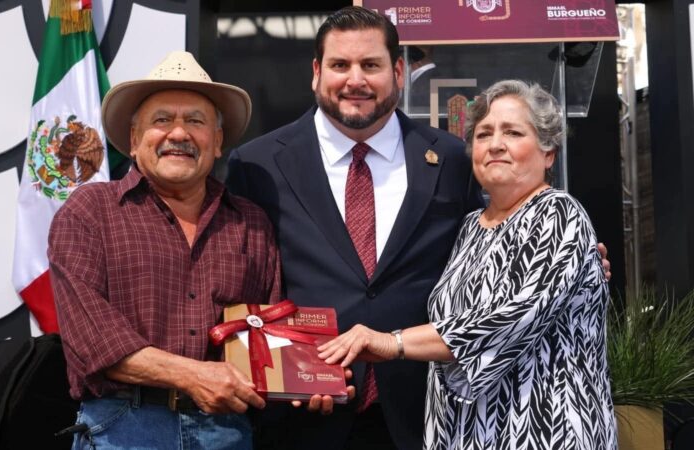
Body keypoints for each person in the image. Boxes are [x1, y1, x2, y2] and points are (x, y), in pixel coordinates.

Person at [226, 6, 484, 449]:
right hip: (302, 417)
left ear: (398, 71)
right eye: (340, 65)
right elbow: (243, 284)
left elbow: (484, 255)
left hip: (422, 415)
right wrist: (285, 375)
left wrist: (559, 254)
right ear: (316, 72)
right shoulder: (257, 163)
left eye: (371, 65)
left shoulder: (451, 159)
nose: (355, 80)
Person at [318, 80, 617, 449]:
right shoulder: (469, 228)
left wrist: (390, 342)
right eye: (483, 134)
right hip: (466, 435)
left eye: (513, 132)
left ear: (548, 152)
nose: (495, 145)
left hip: (544, 432)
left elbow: (503, 318)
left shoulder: (558, 214)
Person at [48, 51, 281, 450]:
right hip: (122, 428)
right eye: (162, 120)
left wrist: (302, 380)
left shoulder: (251, 223)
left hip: (225, 432)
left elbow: (271, 336)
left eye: (195, 121)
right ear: (135, 140)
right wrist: (193, 376)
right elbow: (93, 342)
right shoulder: (90, 211)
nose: (179, 134)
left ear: (218, 141)